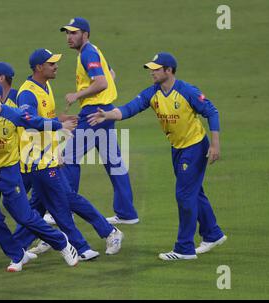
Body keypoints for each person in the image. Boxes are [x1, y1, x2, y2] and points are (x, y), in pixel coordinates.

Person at [88, 53, 228, 260]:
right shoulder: (153, 93)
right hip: (177, 147)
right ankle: (212, 233)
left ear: (168, 70)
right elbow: (130, 109)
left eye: (156, 68)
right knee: (195, 192)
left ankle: (184, 249)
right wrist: (108, 115)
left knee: (184, 195)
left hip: (195, 147)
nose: (151, 72)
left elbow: (212, 112)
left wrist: (215, 145)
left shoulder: (186, 91)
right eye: (151, 68)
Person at [12, 49, 123, 261]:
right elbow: (28, 120)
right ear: (39, 68)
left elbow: (46, 116)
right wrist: (58, 125)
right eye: (51, 64)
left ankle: (17, 249)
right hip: (34, 159)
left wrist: (61, 121)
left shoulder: (45, 86)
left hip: (45, 159)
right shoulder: (27, 93)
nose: (56, 66)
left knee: (54, 203)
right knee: (49, 204)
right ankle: (17, 249)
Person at [0, 80, 79, 271]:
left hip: (8, 173)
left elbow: (36, 122)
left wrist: (60, 125)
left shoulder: (13, 115)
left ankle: (61, 242)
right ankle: (18, 254)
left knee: (24, 217)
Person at [60, 17, 139, 225]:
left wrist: (79, 95)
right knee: (114, 162)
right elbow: (111, 73)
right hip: (105, 110)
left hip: (95, 114)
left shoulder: (87, 53)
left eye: (74, 33)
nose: (69, 37)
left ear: (85, 34)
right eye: (67, 33)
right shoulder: (93, 51)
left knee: (68, 157)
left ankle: (65, 208)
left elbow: (103, 82)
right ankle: (127, 213)